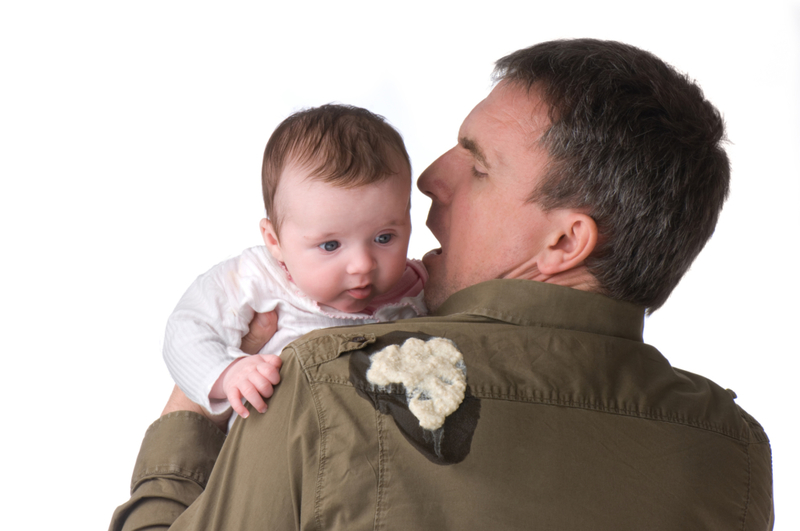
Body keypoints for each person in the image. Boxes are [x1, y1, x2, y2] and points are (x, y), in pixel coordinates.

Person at [110, 39, 774, 530]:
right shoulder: (732, 454)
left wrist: (193, 403)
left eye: (477, 166)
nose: (430, 177)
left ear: (565, 242)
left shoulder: (321, 387)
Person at [163, 104, 426, 421]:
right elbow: (187, 329)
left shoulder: (420, 286)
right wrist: (226, 373)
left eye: (384, 238)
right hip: (272, 452)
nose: (362, 265)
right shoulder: (256, 278)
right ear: (275, 242)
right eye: (330, 245)